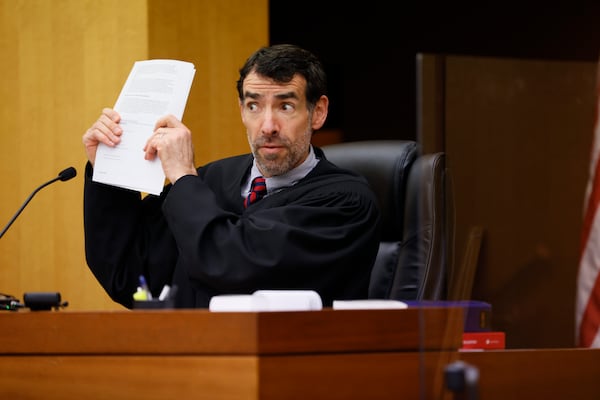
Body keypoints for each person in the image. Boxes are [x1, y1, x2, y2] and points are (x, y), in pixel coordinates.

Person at [82, 44, 381, 309]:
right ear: (241, 111)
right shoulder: (212, 179)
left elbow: (234, 266)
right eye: (254, 106)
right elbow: (130, 277)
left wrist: (184, 177)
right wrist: (111, 173)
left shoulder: (345, 202)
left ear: (318, 112)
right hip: (188, 361)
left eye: (285, 106)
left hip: (285, 366)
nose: (267, 126)